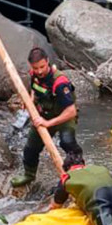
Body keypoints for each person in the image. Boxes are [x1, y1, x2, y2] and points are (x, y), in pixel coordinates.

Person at [11, 47, 83, 187]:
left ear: (48, 62)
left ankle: (80, 172)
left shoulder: (60, 83)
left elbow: (71, 111)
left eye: (42, 67)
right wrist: (31, 100)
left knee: (67, 143)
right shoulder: (34, 74)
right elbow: (34, 88)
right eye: (35, 67)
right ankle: (29, 175)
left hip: (64, 117)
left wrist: (49, 123)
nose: (39, 71)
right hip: (44, 114)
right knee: (31, 147)